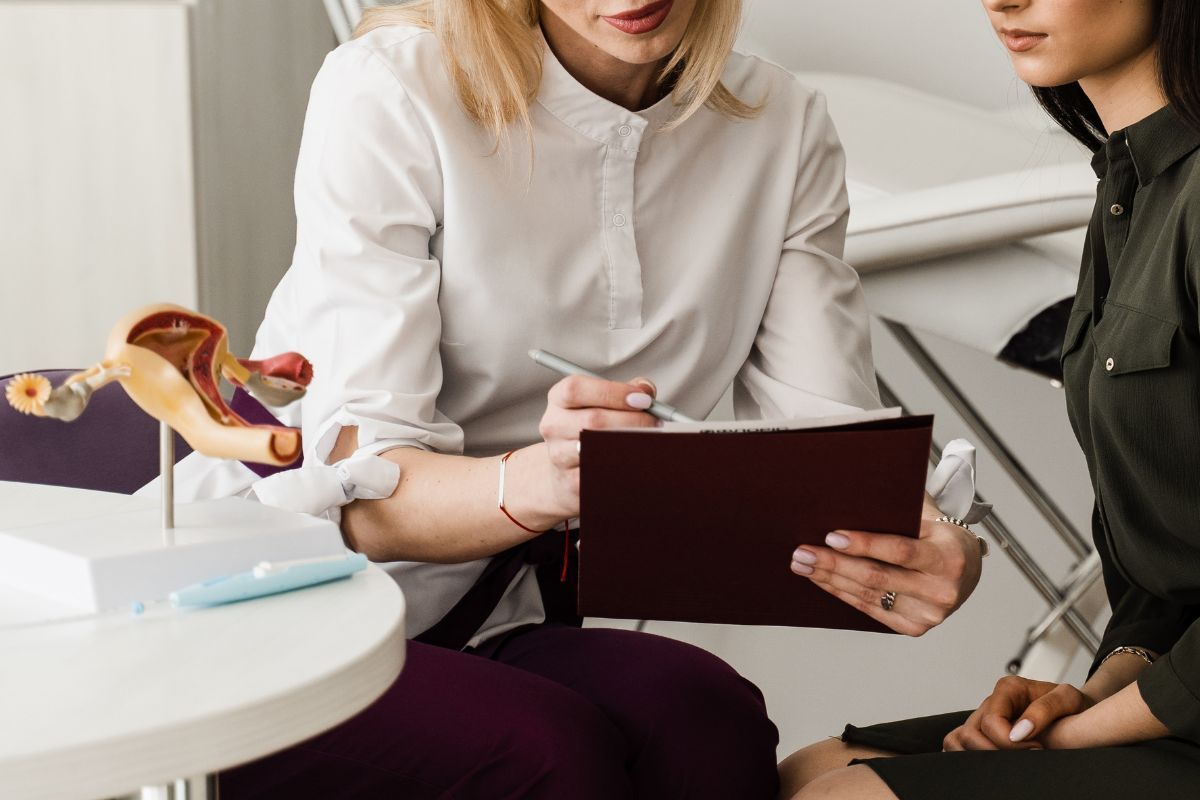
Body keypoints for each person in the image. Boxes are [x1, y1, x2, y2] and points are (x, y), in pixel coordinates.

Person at [173, 1, 984, 796]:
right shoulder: (390, 90)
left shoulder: (782, 125)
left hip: (491, 617)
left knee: (710, 721)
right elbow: (360, 502)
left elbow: (828, 468)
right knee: (550, 753)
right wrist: (540, 481)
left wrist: (934, 542)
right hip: (284, 610)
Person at [778, 0, 1200, 797]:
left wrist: (1086, 730)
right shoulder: (1128, 187)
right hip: (1169, 694)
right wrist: (1087, 692)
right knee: (816, 768)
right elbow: (1167, 562)